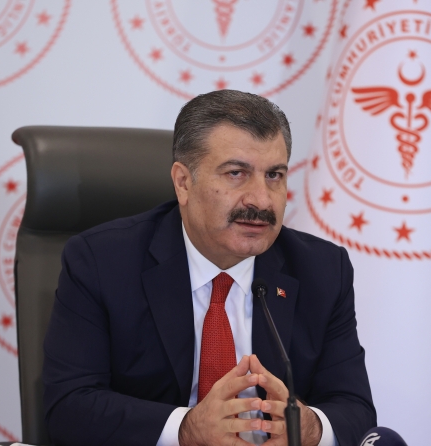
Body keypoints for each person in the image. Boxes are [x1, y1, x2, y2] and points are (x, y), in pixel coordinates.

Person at [43, 90, 376, 445]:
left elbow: (355, 409)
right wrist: (186, 429)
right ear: (183, 182)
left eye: (274, 175)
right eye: (236, 173)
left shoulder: (322, 270)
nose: (261, 200)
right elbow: (69, 407)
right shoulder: (102, 262)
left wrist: (310, 427)